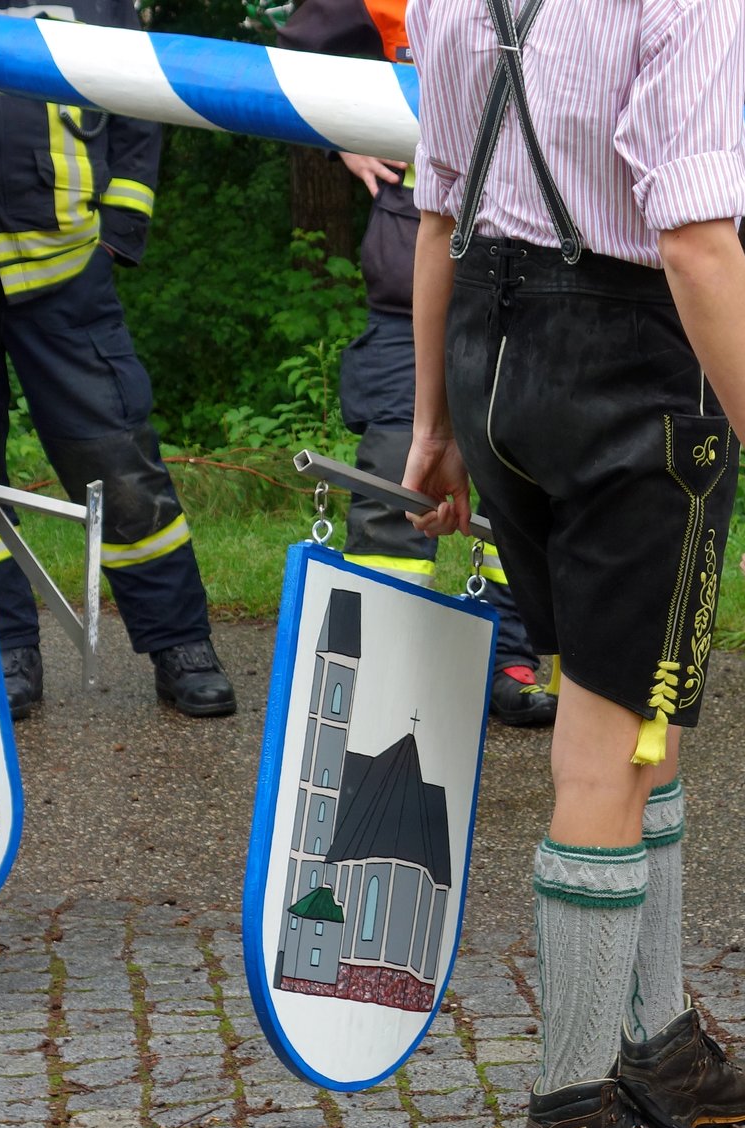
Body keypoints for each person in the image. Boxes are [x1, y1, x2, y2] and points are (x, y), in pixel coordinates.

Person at [402, 0, 745, 1128]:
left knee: (639, 718)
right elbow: (692, 240)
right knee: (606, 749)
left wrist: (434, 422)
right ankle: (572, 1116)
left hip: (492, 357)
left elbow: (439, 211)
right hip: (624, 374)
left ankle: (662, 1043)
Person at [0, 0, 235, 721]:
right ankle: (2, 648)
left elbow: (138, 92)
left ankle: (181, 644)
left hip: (62, 264)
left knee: (118, 462)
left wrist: (119, 228)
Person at [274, 0, 556, 729]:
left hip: (546, 277)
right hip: (413, 281)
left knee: (524, 478)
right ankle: (382, 667)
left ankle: (511, 661)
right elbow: (298, 53)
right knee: (399, 475)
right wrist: (345, 133)